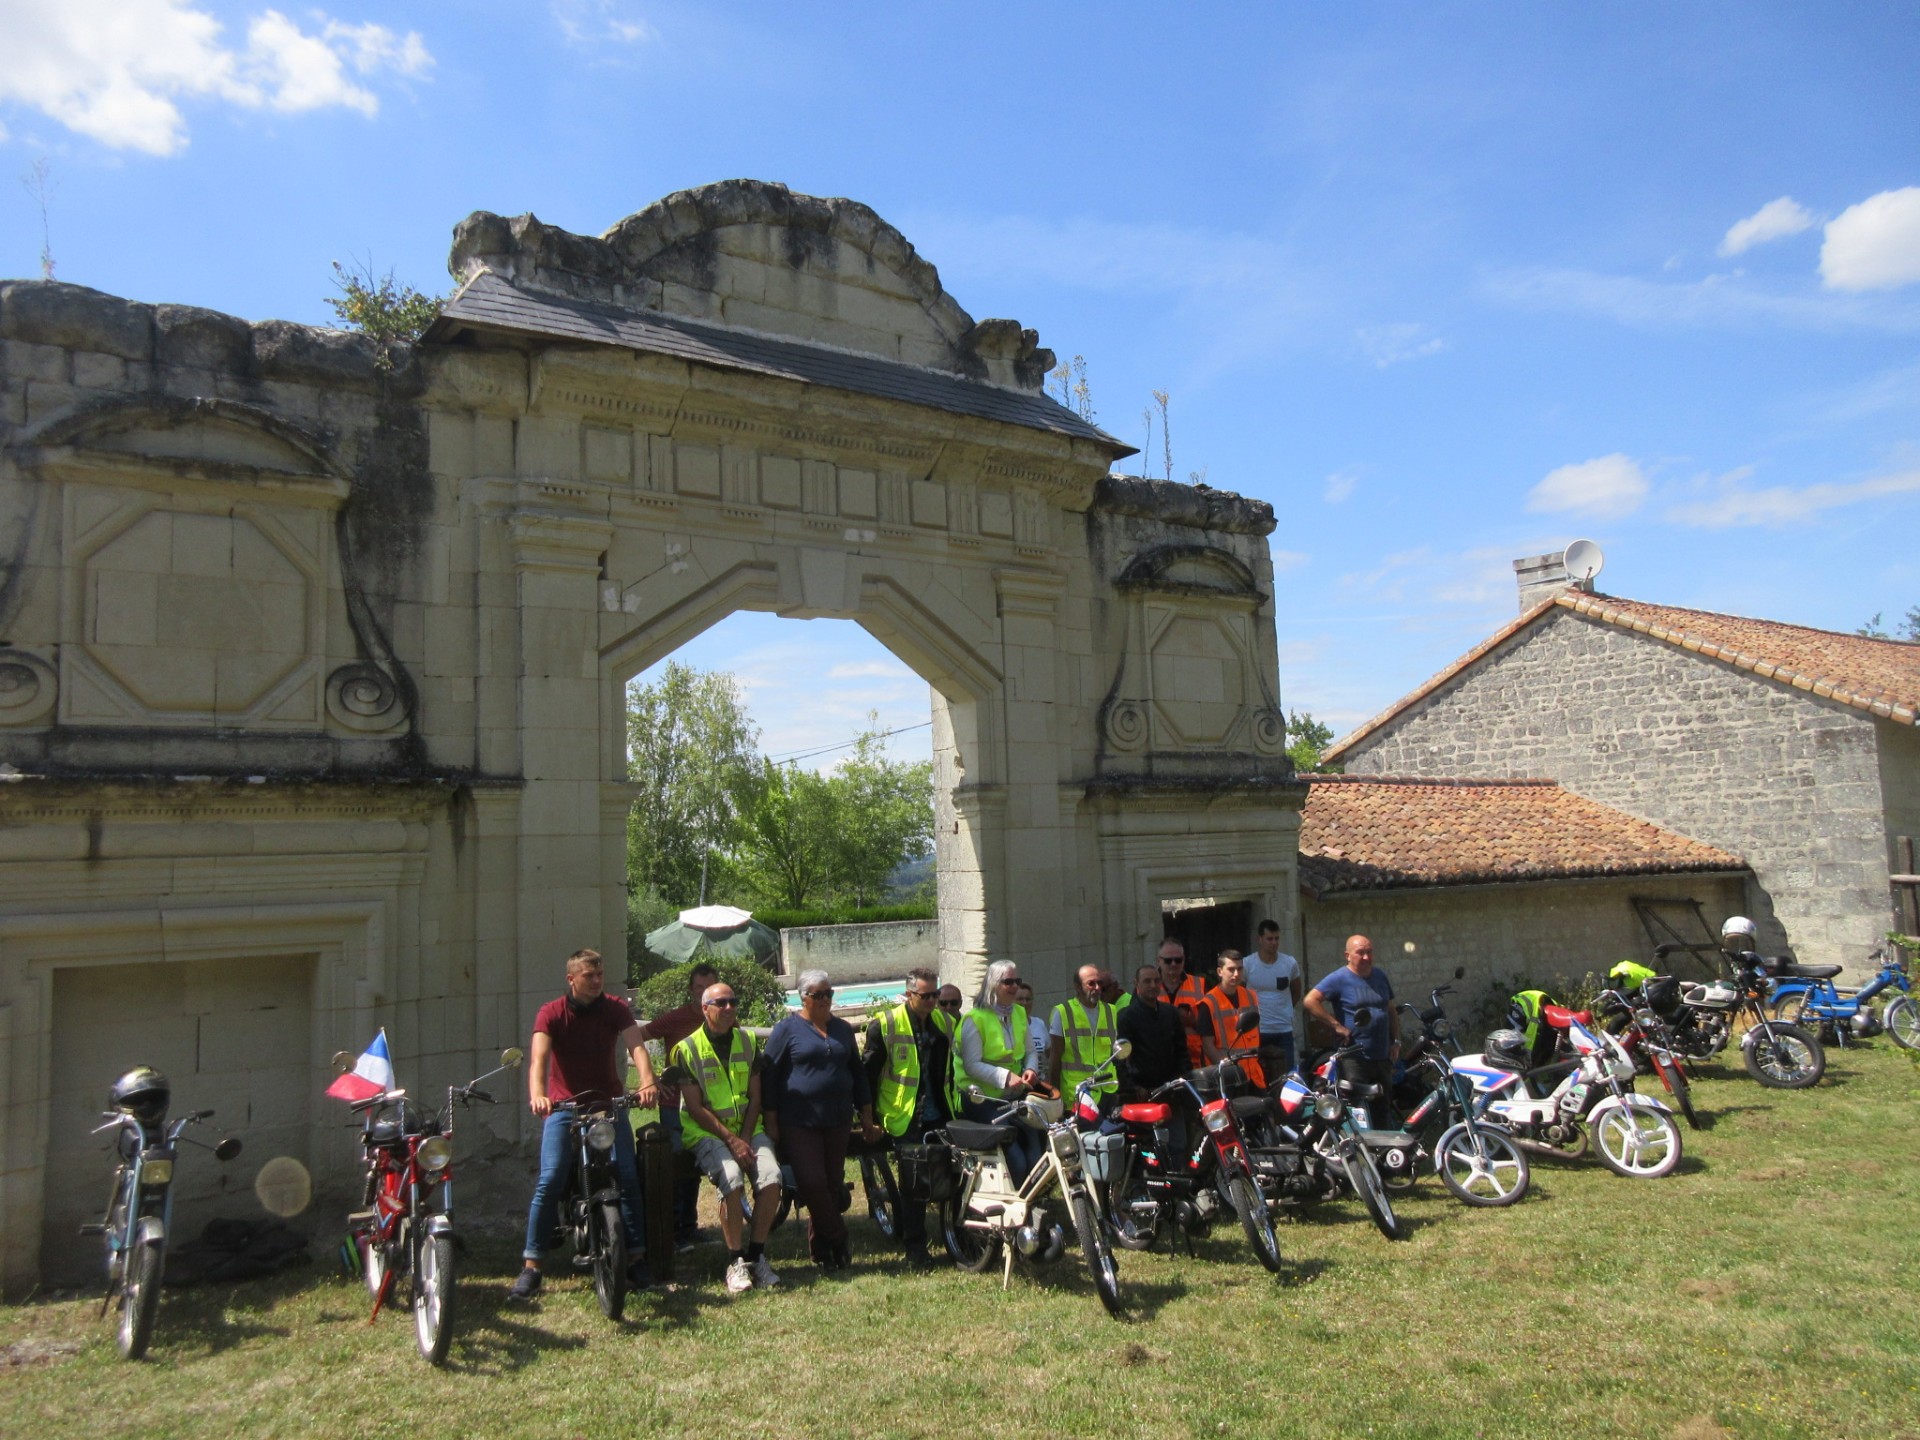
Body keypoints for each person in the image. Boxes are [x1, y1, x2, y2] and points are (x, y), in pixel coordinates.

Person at [512, 948, 660, 1300]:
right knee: (550, 1178)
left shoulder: (615, 1008)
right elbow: (539, 1059)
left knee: (626, 1173)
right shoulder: (552, 1013)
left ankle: (636, 1257)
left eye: (599, 975)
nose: (596, 981)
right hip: (565, 1107)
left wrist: (648, 1081)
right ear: (571, 979)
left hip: (607, 1104)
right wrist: (539, 1095)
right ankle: (532, 1266)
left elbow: (636, 1047)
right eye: (588, 976)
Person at [670, 981, 783, 1294]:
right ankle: (735, 1261)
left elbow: (755, 1096)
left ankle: (757, 1255)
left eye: (733, 1002)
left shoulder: (747, 1041)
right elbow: (694, 1108)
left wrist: (745, 1136)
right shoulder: (687, 1048)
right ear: (705, 1009)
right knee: (731, 1179)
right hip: (706, 1132)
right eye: (721, 1003)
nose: (729, 1008)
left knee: (772, 1178)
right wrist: (731, 1141)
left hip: (747, 1129)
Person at [764, 970, 879, 1272]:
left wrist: (866, 1114)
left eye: (829, 993)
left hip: (838, 1118)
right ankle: (839, 1237)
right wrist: (772, 1120)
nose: (826, 999)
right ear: (803, 997)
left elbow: (858, 1073)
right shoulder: (787, 1030)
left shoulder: (841, 1029)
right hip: (799, 1120)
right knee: (811, 1182)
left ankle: (823, 1251)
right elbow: (770, 1077)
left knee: (829, 1185)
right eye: (819, 995)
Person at [863, 967, 955, 1267]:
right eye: (925, 996)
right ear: (909, 994)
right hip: (901, 1115)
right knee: (913, 1183)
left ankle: (955, 1234)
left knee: (954, 1172)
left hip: (939, 1111)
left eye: (935, 995)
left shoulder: (944, 1023)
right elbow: (867, 1077)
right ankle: (915, 1246)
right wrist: (870, 1119)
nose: (932, 1001)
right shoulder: (885, 1025)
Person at [641, 961, 718, 1250]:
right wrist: (650, 1079)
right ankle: (672, 1231)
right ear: (691, 990)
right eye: (699, 988)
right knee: (675, 1161)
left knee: (695, 1163)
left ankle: (689, 1227)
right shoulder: (677, 1019)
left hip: (707, 1103)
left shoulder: (722, 1016)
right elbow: (637, 1037)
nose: (704, 993)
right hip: (674, 1104)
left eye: (709, 987)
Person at [954, 959, 1043, 1181]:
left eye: (1017, 981)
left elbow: (1031, 1051)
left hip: (1014, 1098)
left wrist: (1031, 1068)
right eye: (1008, 982)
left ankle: (1030, 1202)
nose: (1014, 987)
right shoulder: (974, 1019)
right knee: (1017, 1161)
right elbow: (971, 1065)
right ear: (994, 985)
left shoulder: (1019, 1014)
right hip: (982, 1101)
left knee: (1037, 1153)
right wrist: (1005, 1077)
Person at [1302, 934, 1401, 1094]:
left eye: (1369, 952)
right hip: (1354, 1060)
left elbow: (1390, 1010)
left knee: (1382, 1110)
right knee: (1356, 1110)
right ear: (1347, 956)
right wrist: (1336, 1026)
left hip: (1382, 1057)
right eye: (1360, 952)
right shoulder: (1339, 978)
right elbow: (1310, 1001)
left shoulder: (1380, 976)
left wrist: (1396, 1041)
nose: (1366, 957)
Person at [1047, 963, 1120, 1108]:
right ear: (1078, 987)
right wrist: (1054, 1096)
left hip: (1107, 1089)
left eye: (1099, 983)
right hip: (1079, 1092)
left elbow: (1114, 1053)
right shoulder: (1062, 1012)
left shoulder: (1111, 1011)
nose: (1097, 988)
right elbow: (1055, 1059)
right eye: (1091, 984)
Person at [1242, 919, 1303, 1079]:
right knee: (1259, 1075)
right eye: (1270, 939)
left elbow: (1296, 991)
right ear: (1260, 939)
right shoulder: (1248, 964)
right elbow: (1240, 995)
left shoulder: (1289, 963)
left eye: (1277, 938)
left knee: (1287, 1075)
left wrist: (1285, 1009)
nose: (1274, 943)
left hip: (1284, 1030)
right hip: (1258, 1031)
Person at [1116, 966, 1187, 1100]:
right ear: (1136, 983)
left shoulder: (1170, 1013)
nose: (1153, 985)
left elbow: (1181, 1050)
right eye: (1147, 981)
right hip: (1141, 1093)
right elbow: (1120, 1058)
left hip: (1172, 1089)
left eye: (1156, 981)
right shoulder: (1126, 1016)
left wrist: (1182, 1079)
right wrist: (1132, 1087)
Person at [1201, 949, 1265, 1089]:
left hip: (1254, 1075)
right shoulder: (1209, 1003)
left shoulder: (1250, 996)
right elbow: (1207, 1045)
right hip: (1227, 1078)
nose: (1236, 974)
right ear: (1220, 972)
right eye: (1231, 969)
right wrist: (1227, 1069)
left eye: (1239, 969)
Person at [1157, 939, 1207, 1068]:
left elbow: (1213, 1026)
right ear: (1159, 961)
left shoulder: (1200, 984)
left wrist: (1192, 1022)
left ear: (1184, 960)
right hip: (1157, 1062)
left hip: (1193, 1061)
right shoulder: (1146, 987)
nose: (1173, 964)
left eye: (1178, 960)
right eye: (1168, 960)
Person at [1015, 981, 1051, 1074]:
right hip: (1017, 1082)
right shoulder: (1008, 1026)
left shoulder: (1039, 1024)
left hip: (1040, 1083)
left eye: (1028, 999)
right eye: (1020, 999)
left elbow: (1050, 1055)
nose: (1025, 1003)